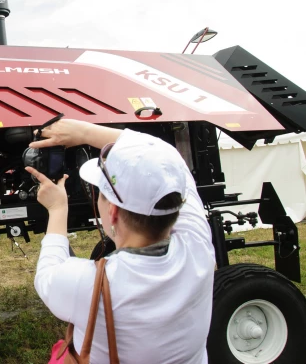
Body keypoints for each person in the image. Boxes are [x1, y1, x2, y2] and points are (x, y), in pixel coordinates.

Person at [26, 119, 215, 364]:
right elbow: (168, 154)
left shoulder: (87, 284)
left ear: (113, 212)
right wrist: (83, 131)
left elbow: (47, 272)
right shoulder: (197, 247)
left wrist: (58, 208)